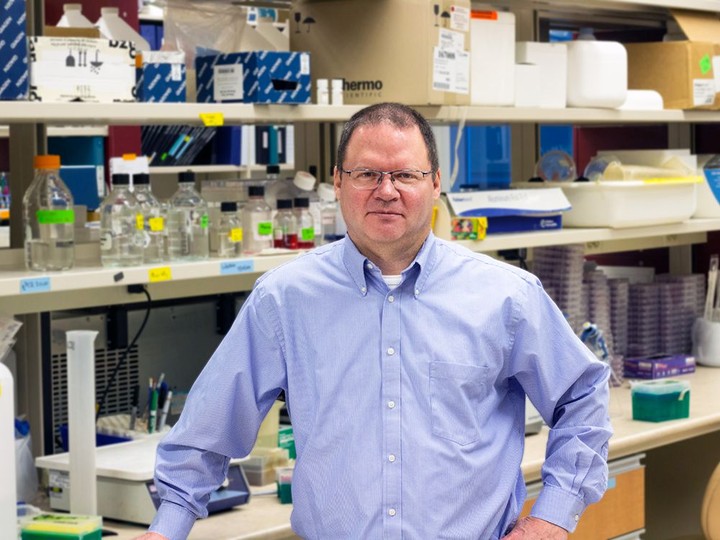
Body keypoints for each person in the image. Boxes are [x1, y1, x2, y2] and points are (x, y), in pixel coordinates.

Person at [136, 102, 612, 540]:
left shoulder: (505, 296)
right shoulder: (284, 299)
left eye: (405, 174)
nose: (386, 191)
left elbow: (582, 393)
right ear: (338, 182)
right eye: (367, 173)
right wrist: (167, 527)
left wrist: (553, 514)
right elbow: (206, 430)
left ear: (434, 183)